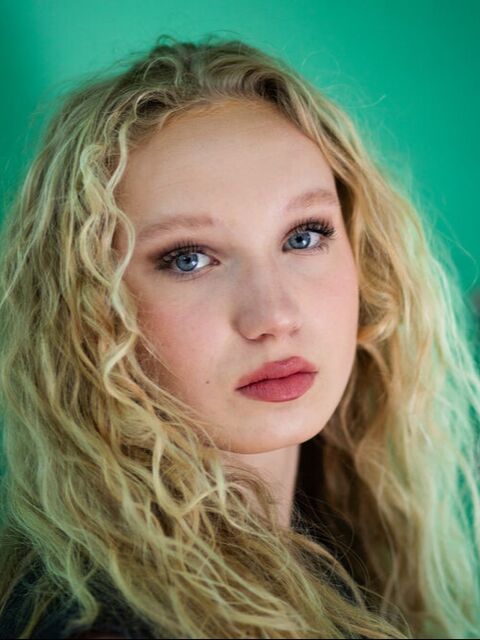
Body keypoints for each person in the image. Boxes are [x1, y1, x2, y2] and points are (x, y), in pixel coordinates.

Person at [0, 34, 478, 640]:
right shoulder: (105, 626)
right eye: (189, 259)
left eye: (303, 237)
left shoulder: (352, 564)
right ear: (90, 309)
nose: (274, 315)